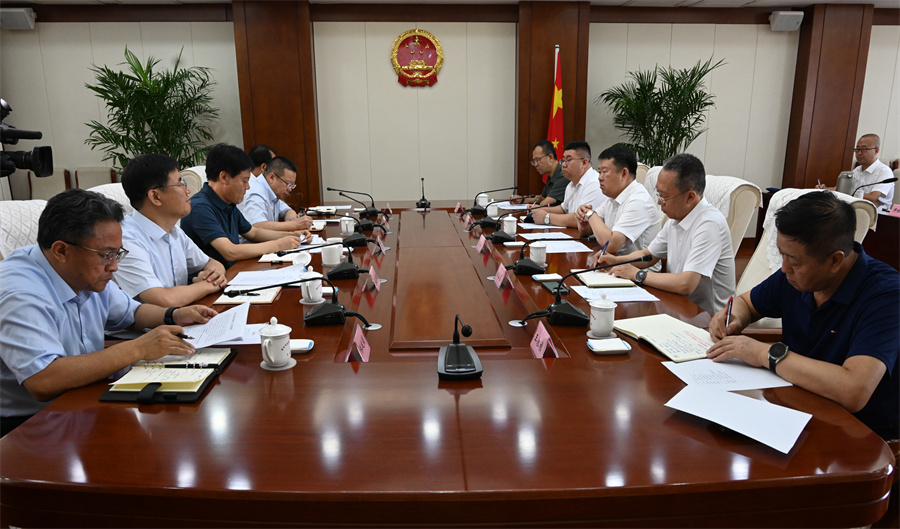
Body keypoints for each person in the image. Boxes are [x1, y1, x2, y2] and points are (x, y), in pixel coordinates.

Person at [0, 189, 217, 437]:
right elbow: (43, 380)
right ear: (61, 251)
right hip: (29, 425)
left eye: (117, 254)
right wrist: (137, 349)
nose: (114, 267)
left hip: (83, 395)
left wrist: (174, 315)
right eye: (106, 255)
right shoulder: (20, 293)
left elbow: (132, 313)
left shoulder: (84, 272)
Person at [707, 191, 898, 439]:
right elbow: (746, 303)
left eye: (794, 261)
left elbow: (854, 390)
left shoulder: (886, 295)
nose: (784, 268)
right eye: (782, 255)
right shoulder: (795, 277)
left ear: (835, 261)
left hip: (859, 434)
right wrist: (733, 318)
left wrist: (764, 354)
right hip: (796, 404)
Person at [593, 153, 735, 314]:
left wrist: (637, 274)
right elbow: (648, 255)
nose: (659, 202)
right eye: (658, 194)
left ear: (690, 197)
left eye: (664, 196)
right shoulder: (677, 218)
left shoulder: (709, 224)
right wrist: (615, 261)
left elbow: (686, 284)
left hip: (707, 318)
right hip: (678, 306)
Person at [116, 153, 228, 306]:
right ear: (155, 196)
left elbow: (211, 262)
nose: (188, 191)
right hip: (153, 322)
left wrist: (215, 274)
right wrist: (209, 285)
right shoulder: (125, 240)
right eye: (180, 184)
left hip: (183, 315)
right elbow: (164, 300)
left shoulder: (174, 231)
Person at [181, 143, 307, 269]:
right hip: (216, 277)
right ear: (224, 177)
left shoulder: (228, 203)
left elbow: (254, 233)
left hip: (234, 271)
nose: (248, 187)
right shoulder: (200, 207)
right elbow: (230, 252)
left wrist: (293, 235)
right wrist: (278, 245)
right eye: (244, 181)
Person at [576, 144, 661, 267]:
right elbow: (587, 231)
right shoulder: (612, 197)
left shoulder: (638, 201)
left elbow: (611, 245)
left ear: (624, 174)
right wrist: (583, 219)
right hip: (615, 265)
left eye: (604, 172)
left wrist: (590, 214)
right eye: (599, 172)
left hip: (640, 272)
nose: (599, 178)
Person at [530, 141, 606, 228]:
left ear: (584, 162)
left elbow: (583, 220)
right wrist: (538, 209)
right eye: (563, 160)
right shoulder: (571, 184)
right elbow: (563, 209)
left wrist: (547, 217)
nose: (563, 165)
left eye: (568, 160)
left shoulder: (594, 184)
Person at [237, 156, 313, 236]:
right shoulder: (255, 193)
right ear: (271, 177)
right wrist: (294, 224)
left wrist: (292, 220)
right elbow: (257, 226)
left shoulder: (273, 192)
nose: (290, 189)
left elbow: (287, 210)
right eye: (288, 184)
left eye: (292, 186)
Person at [508, 140, 568, 206]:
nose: (536, 165)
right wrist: (522, 199)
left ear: (550, 157)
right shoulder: (551, 174)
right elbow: (542, 198)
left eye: (538, 160)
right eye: (534, 161)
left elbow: (545, 203)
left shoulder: (563, 175)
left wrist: (532, 207)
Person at [849, 134, 894, 212]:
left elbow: (873, 197)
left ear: (876, 151)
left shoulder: (885, 171)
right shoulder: (857, 170)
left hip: (877, 214)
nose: (859, 153)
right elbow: (843, 188)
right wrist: (826, 189)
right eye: (857, 149)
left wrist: (846, 192)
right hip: (857, 209)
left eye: (864, 149)